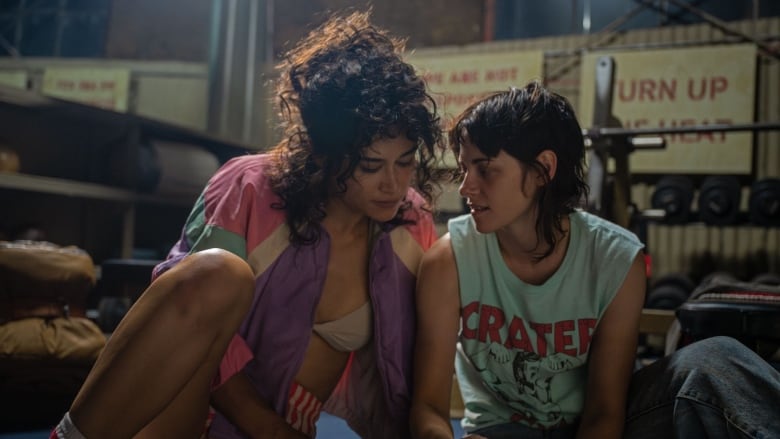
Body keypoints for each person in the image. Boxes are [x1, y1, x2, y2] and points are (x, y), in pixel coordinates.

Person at [51, 10, 443, 439]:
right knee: (216, 272)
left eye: (404, 162)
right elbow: (185, 308)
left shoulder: (410, 225)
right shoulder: (249, 186)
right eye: (370, 165)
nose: (393, 184)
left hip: (284, 426)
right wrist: (270, 429)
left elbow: (405, 374)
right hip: (185, 413)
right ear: (326, 152)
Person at [409, 81, 780, 439]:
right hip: (502, 430)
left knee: (714, 359)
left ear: (542, 170)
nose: (465, 186)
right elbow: (427, 408)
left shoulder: (617, 260)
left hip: (600, 425)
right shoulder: (449, 260)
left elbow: (605, 411)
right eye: (465, 168)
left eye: (485, 169)